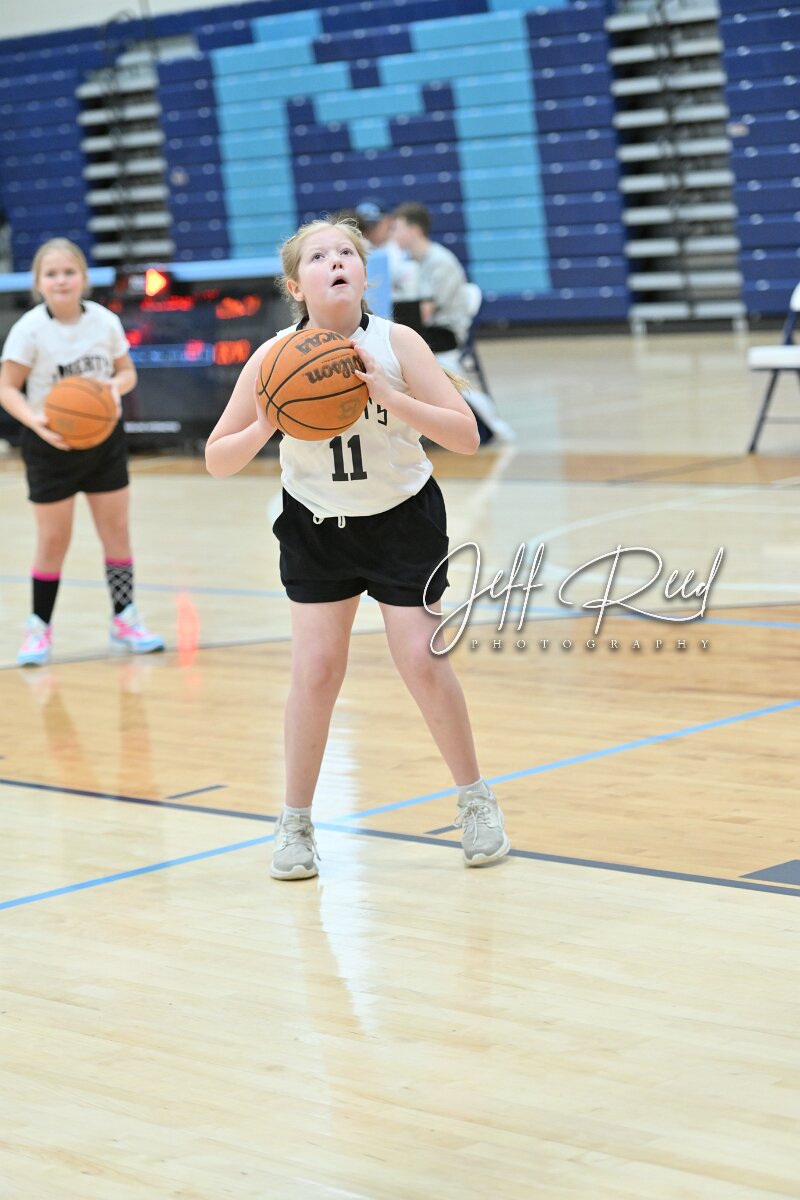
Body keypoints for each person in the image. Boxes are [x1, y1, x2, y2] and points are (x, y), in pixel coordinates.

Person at [205, 216, 510, 880]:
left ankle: (475, 800)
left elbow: (466, 438)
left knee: (422, 662)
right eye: (319, 256)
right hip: (317, 525)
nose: (337, 261)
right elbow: (217, 459)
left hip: (401, 519)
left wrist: (390, 395)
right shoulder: (273, 358)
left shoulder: (398, 343)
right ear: (296, 285)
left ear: (366, 275)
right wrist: (264, 424)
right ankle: (295, 822)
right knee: (315, 671)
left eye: (348, 252)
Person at [0, 237, 164, 667]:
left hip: (103, 440)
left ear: (84, 278)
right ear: (38, 282)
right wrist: (35, 421)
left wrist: (111, 387)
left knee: (117, 532)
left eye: (69, 272)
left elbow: (126, 373)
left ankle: (124, 617)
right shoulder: (29, 330)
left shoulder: (104, 322)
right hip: (50, 445)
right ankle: (39, 625)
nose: (61, 281)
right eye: (51, 274)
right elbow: (7, 389)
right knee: (54, 540)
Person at [392, 202, 515, 443]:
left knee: (397, 351)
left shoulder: (439, 261)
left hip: (445, 333)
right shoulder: (414, 261)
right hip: (429, 329)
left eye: (397, 228)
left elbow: (425, 312)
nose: (393, 234)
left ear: (414, 230)